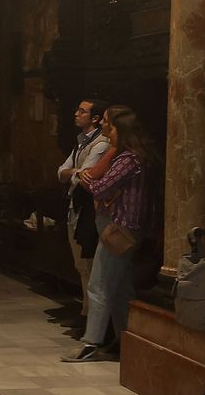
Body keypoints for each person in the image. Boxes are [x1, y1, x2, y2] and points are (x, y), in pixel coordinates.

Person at [63, 106, 157, 363]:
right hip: (124, 226)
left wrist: (82, 176)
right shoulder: (133, 156)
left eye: (110, 125)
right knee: (120, 287)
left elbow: (101, 186)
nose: (107, 130)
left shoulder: (129, 159)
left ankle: (91, 342)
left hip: (121, 228)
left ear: (121, 130)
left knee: (99, 284)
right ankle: (124, 340)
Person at [58, 99, 111, 339]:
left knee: (90, 266)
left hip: (89, 210)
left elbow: (84, 176)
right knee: (80, 265)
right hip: (74, 207)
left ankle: (92, 320)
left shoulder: (101, 144)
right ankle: (85, 312)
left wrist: (72, 173)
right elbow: (62, 172)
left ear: (96, 119)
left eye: (82, 111)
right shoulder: (81, 143)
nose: (76, 113)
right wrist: (72, 173)